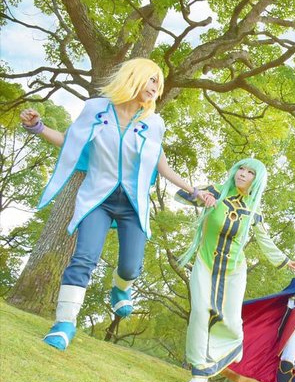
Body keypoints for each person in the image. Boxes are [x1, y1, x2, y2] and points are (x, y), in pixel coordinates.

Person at [19, 58, 215, 351]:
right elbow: (69, 141)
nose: (155, 87)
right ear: (133, 76)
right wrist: (37, 127)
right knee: (84, 258)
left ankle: (120, 288)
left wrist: (195, 191)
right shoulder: (95, 109)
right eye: (151, 79)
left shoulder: (154, 123)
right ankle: (63, 325)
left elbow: (162, 165)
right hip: (97, 199)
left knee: (131, 267)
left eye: (159, 83)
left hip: (133, 205)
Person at [176, 158, 295, 382]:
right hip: (205, 262)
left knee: (231, 320)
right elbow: (181, 195)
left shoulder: (253, 210)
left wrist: (285, 261)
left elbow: (264, 239)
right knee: (200, 312)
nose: (242, 174)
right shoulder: (216, 192)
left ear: (257, 179)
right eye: (241, 169)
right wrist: (201, 195)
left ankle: (228, 350)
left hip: (233, 270)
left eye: (250, 172)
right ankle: (199, 373)